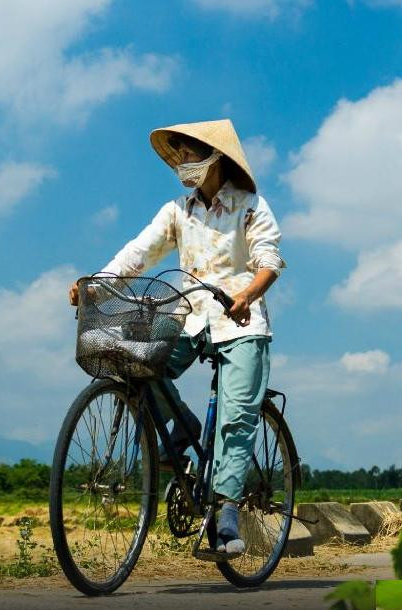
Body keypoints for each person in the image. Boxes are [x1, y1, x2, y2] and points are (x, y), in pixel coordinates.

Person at [67, 119, 286, 555]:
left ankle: (227, 513)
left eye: (189, 154)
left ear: (215, 157)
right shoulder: (177, 211)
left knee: (236, 417)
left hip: (240, 322)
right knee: (136, 365)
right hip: (189, 318)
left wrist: (247, 294)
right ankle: (184, 429)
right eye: (180, 155)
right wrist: (96, 285)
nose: (183, 162)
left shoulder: (250, 206)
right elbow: (138, 253)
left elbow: (269, 260)